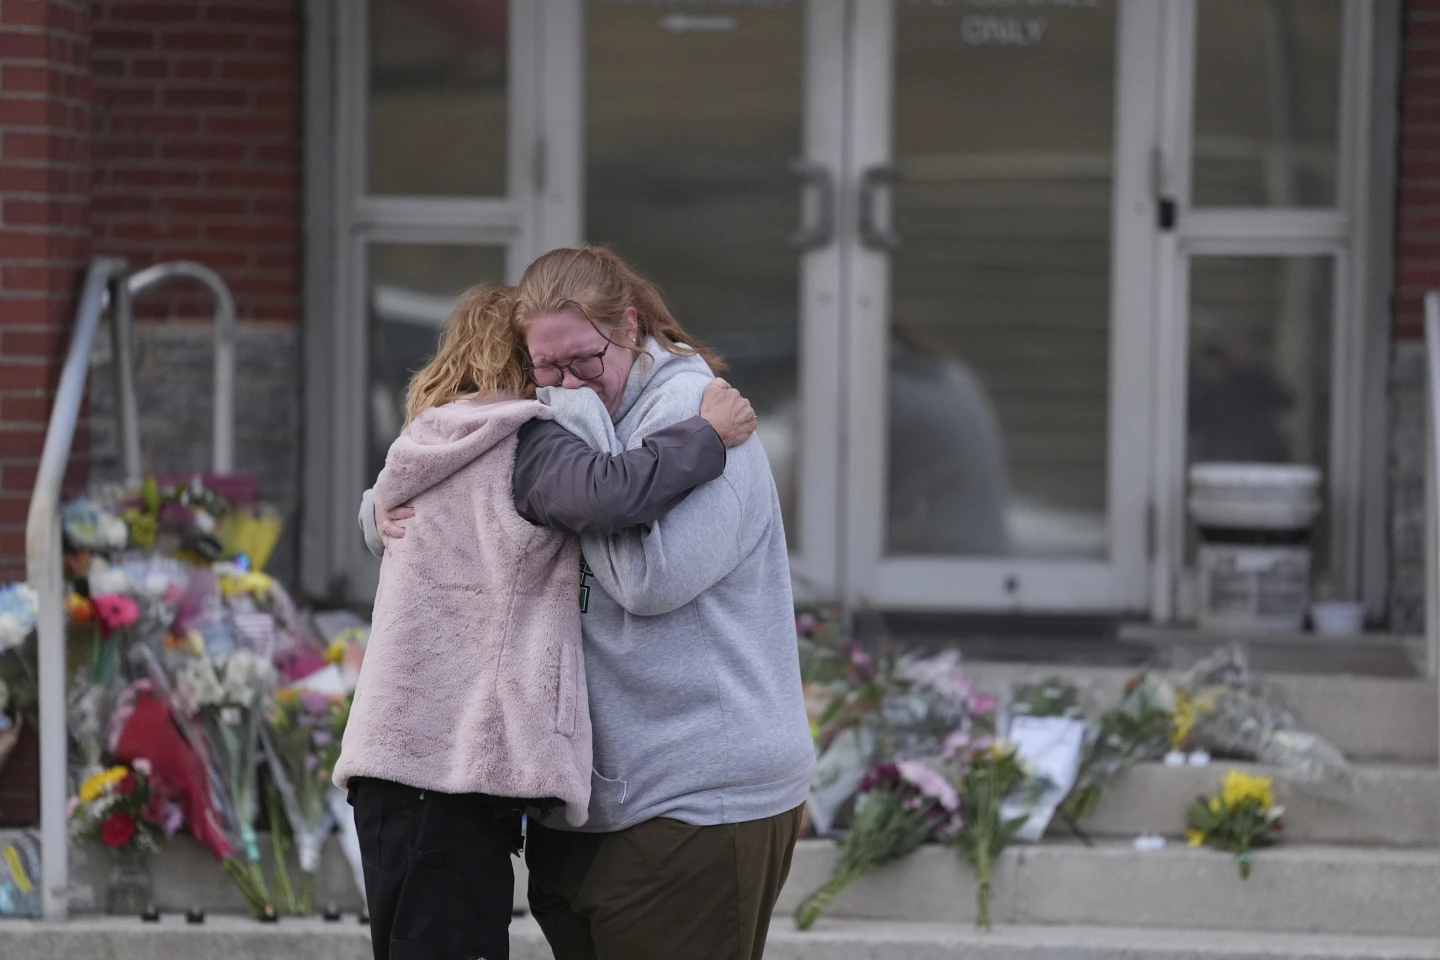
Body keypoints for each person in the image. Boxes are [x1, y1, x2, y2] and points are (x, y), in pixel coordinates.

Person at [337, 282, 759, 960]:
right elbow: (611, 493)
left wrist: (372, 511)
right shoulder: (521, 442)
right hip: (446, 773)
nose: (564, 382)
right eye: (547, 362)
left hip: (398, 765)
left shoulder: (432, 438)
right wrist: (707, 434)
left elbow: (381, 509)